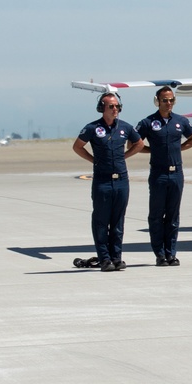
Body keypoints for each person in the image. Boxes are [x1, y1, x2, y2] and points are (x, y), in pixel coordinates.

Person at [73, 92, 144, 272]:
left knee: (118, 222)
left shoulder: (125, 128)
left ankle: (116, 257)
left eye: (117, 106)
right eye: (111, 106)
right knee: (101, 221)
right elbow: (77, 146)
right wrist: (93, 160)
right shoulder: (92, 128)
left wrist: (124, 156)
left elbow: (140, 144)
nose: (115, 109)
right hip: (102, 181)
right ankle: (104, 259)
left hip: (121, 180)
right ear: (101, 108)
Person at [136, 86, 192, 267]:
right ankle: (160, 254)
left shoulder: (180, 121)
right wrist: (153, 152)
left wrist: (180, 148)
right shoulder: (148, 122)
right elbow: (135, 143)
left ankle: (171, 253)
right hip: (159, 174)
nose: (168, 103)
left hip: (176, 173)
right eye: (165, 100)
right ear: (157, 101)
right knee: (157, 215)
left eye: (171, 100)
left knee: (173, 216)